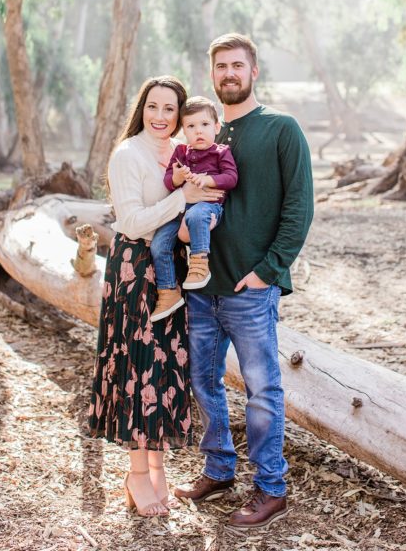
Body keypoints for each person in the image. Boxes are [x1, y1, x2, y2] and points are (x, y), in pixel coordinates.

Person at [174, 33, 314, 530]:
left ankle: (271, 488)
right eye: (221, 67)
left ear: (254, 71)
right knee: (203, 382)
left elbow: (299, 208)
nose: (229, 74)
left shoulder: (281, 129)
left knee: (261, 390)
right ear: (211, 75)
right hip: (201, 289)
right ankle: (219, 469)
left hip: (249, 289)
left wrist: (267, 272)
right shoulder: (200, 135)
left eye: (238, 65)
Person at [86, 76, 224, 516]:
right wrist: (182, 196)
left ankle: (158, 466)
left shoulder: (182, 152)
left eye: (170, 109)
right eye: (153, 107)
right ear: (141, 109)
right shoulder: (129, 154)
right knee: (137, 367)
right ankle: (136, 473)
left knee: (166, 367)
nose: (161, 117)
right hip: (134, 271)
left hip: (171, 273)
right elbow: (130, 222)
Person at [149, 96, 238, 322]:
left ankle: (200, 264)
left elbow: (231, 178)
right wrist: (177, 177)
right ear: (183, 131)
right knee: (159, 244)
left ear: (217, 127)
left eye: (205, 125)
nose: (198, 131)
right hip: (178, 211)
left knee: (197, 215)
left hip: (208, 208)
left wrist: (207, 180)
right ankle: (168, 292)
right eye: (191, 126)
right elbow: (169, 181)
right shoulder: (180, 152)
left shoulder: (221, 152)